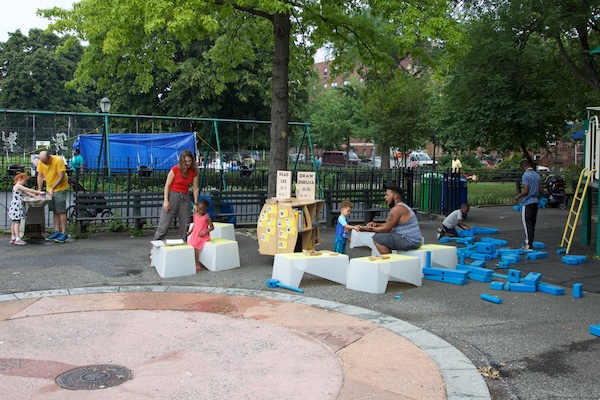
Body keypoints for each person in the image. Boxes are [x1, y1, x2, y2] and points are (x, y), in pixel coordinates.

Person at [358, 185, 422, 254]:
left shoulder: (397, 209)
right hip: (413, 239)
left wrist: (365, 229)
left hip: (409, 240)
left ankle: (390, 261)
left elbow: (386, 229)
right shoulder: (402, 206)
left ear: (395, 196)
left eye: (387, 195)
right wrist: (376, 224)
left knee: (378, 238)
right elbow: (389, 225)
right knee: (382, 236)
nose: (385, 198)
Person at [154, 150, 199, 242]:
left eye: (190, 161)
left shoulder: (194, 172)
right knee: (164, 224)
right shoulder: (175, 170)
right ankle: (155, 246)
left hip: (185, 196)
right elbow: (167, 185)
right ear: (182, 161)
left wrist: (195, 203)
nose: (188, 163)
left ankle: (184, 244)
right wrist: (166, 200)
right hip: (173, 195)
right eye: (186, 161)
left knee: (185, 223)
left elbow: (195, 188)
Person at [36, 150, 69, 243]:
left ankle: (64, 233)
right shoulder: (41, 162)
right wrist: (39, 189)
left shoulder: (58, 161)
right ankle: (56, 231)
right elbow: (40, 176)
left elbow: (61, 176)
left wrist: (53, 188)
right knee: (54, 210)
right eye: (43, 162)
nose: (44, 164)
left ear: (49, 157)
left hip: (60, 188)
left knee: (61, 211)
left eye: (46, 162)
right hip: (49, 188)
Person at [9, 173, 45, 245]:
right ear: (20, 179)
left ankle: (13, 237)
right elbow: (28, 190)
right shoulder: (18, 186)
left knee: (14, 222)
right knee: (17, 223)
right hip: (17, 206)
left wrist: (37, 197)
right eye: (24, 181)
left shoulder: (18, 186)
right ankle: (17, 238)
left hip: (15, 205)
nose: (25, 182)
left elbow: (27, 192)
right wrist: (39, 192)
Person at [514, 159, 543, 250]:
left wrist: (517, 197)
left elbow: (525, 190)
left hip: (527, 202)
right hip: (535, 201)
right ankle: (531, 242)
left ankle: (528, 244)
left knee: (527, 223)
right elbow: (541, 190)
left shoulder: (525, 176)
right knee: (532, 223)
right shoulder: (537, 175)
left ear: (523, 166)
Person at [186, 199, 214, 271]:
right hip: (195, 234)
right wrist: (190, 232)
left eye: (203, 210)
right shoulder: (195, 215)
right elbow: (195, 225)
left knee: (195, 247)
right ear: (197, 208)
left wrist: (205, 232)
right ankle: (192, 261)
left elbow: (212, 227)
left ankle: (197, 264)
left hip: (202, 236)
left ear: (206, 209)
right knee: (189, 245)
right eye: (200, 209)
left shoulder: (207, 217)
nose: (201, 211)